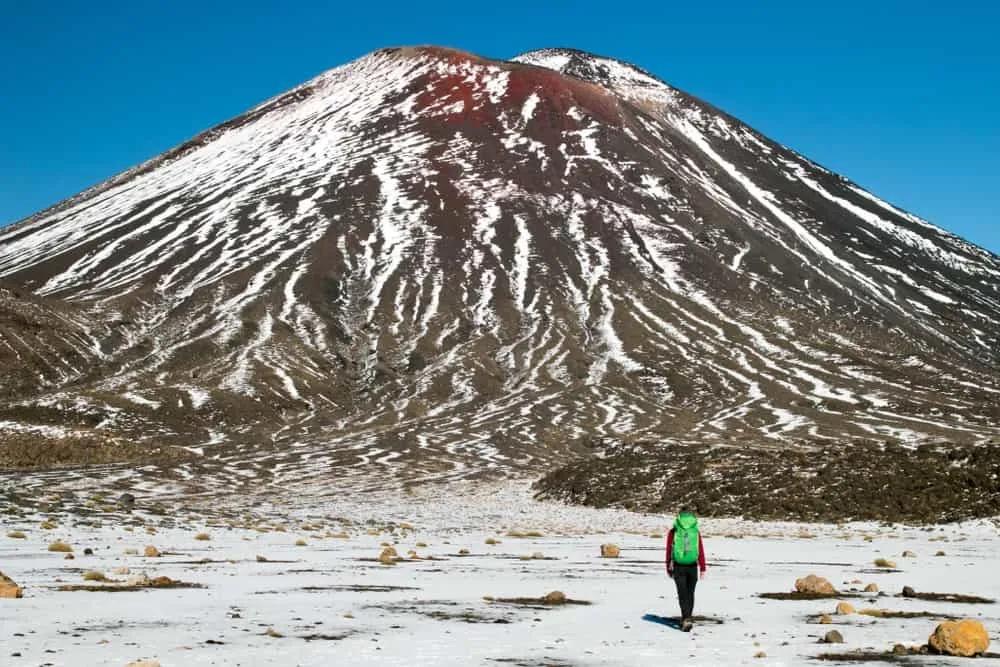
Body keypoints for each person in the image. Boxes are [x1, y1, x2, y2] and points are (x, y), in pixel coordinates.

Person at [665, 508, 706, 632]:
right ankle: (687, 617)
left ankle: (686, 618)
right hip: (693, 566)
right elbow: (700, 549)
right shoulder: (695, 531)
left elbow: (668, 550)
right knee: (690, 593)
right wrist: (703, 567)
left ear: (679, 517)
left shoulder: (674, 531)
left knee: (682, 593)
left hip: (678, 566)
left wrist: (668, 566)